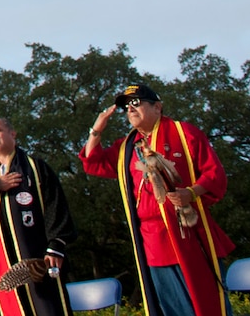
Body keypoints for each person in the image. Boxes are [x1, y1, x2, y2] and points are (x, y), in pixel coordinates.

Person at [80, 84, 235, 316]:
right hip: (151, 242)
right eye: (126, 106)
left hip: (188, 234)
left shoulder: (184, 133)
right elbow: (93, 162)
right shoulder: (126, 147)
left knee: (206, 304)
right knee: (170, 308)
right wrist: (97, 130)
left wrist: (191, 193)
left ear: (157, 107)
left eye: (136, 103)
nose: (130, 109)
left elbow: (215, 175)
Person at [0, 118, 76, 316]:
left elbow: (56, 206)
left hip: (39, 258)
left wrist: (56, 246)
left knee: (48, 307)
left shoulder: (35, 168)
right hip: (3, 261)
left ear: (12, 134)